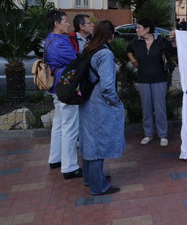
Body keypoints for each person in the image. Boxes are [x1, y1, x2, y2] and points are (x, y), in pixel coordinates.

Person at [79, 20, 125, 195]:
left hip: (87, 99)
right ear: (111, 35)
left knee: (89, 140)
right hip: (99, 102)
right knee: (98, 143)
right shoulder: (105, 54)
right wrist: (115, 102)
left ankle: (90, 178)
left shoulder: (89, 48)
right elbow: (107, 85)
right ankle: (98, 186)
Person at [44, 10, 82, 179]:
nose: (68, 24)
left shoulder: (49, 40)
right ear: (56, 24)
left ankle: (55, 158)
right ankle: (70, 167)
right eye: (65, 21)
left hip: (56, 88)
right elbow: (76, 60)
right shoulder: (60, 42)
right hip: (66, 88)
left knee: (59, 125)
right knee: (70, 128)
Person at [126, 18, 176, 147]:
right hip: (143, 79)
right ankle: (148, 134)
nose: (136, 30)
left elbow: (173, 50)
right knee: (146, 108)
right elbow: (128, 49)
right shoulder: (136, 42)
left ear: (147, 29)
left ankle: (163, 135)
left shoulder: (160, 41)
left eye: (139, 27)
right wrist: (133, 60)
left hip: (160, 79)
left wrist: (172, 38)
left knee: (160, 108)